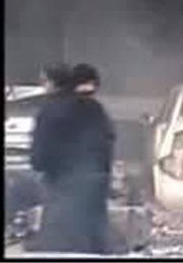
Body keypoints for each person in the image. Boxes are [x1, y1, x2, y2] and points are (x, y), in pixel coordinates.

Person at [30, 63, 115, 254]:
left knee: (61, 234)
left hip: (62, 179)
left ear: (52, 83)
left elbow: (43, 145)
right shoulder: (93, 106)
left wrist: (39, 164)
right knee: (92, 230)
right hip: (93, 177)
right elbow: (106, 139)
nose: (43, 86)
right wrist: (103, 171)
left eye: (44, 81)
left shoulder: (50, 109)